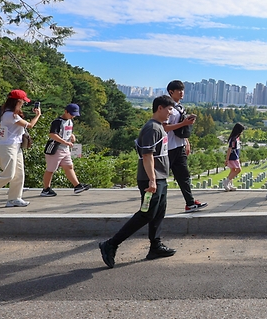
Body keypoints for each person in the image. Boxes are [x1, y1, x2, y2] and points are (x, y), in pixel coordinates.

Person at [98, 95, 177, 268]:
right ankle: (111, 244)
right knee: (146, 214)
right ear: (160, 108)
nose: (171, 112)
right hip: (151, 178)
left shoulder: (159, 127)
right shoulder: (151, 128)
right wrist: (152, 180)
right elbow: (147, 156)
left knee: (158, 213)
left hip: (160, 177)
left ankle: (155, 246)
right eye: (169, 109)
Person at [164, 80, 206, 213]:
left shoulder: (180, 107)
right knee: (160, 177)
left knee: (184, 176)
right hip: (168, 148)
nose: (182, 93)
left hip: (179, 146)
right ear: (171, 92)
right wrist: (184, 124)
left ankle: (190, 203)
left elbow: (181, 126)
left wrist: (186, 141)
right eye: (179, 91)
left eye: (183, 90)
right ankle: (151, 204)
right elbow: (164, 127)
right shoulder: (167, 107)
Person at [40, 103, 91, 197]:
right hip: (55, 148)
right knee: (50, 170)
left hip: (65, 149)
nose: (72, 116)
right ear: (65, 111)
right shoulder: (57, 121)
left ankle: (77, 186)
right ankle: (46, 189)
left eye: (74, 115)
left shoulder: (70, 122)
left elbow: (67, 132)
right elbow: (52, 134)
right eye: (71, 114)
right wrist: (65, 142)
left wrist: (72, 136)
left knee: (69, 166)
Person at [220, 123, 245, 191]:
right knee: (239, 170)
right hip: (233, 157)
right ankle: (226, 181)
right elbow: (229, 149)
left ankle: (230, 184)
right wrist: (227, 159)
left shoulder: (236, 138)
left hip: (235, 156)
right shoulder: (233, 139)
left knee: (233, 170)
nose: (242, 132)